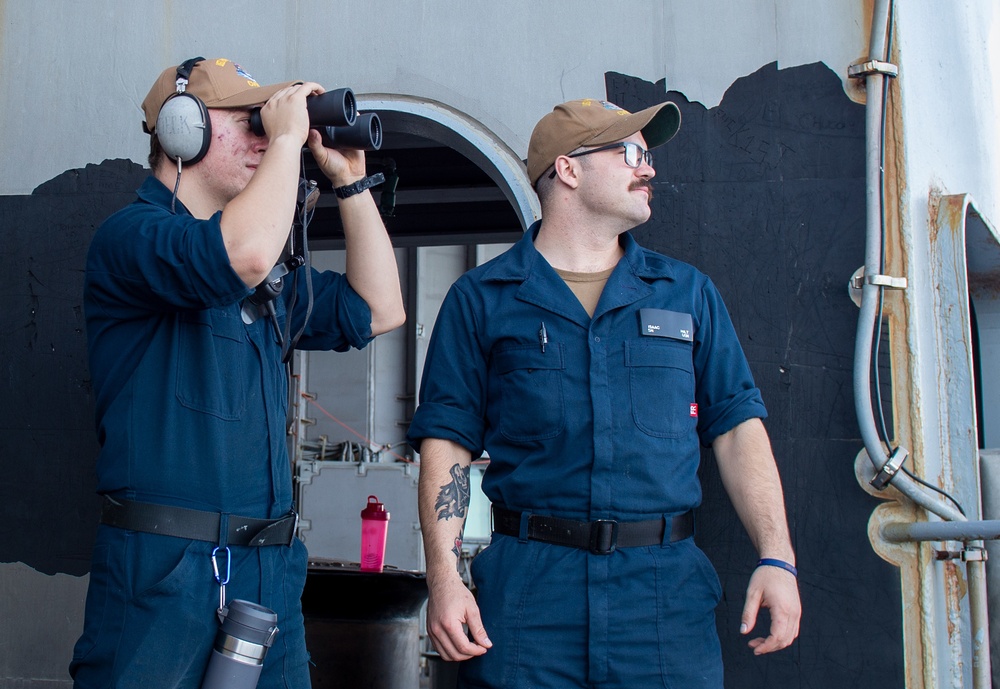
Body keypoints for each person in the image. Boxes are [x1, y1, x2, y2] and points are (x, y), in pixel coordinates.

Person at [407, 98, 800, 688]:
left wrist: (777, 557)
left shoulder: (685, 293)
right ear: (567, 170)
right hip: (528, 599)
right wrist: (444, 576)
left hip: (663, 598)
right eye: (631, 154)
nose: (649, 169)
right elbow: (448, 444)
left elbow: (737, 429)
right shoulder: (482, 298)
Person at [70, 57, 404, 688]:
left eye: (265, 123)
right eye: (246, 121)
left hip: (267, 572)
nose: (261, 135)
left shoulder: (271, 276)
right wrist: (283, 139)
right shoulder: (132, 239)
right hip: (164, 574)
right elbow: (239, 255)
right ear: (180, 130)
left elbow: (380, 308)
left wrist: (351, 186)